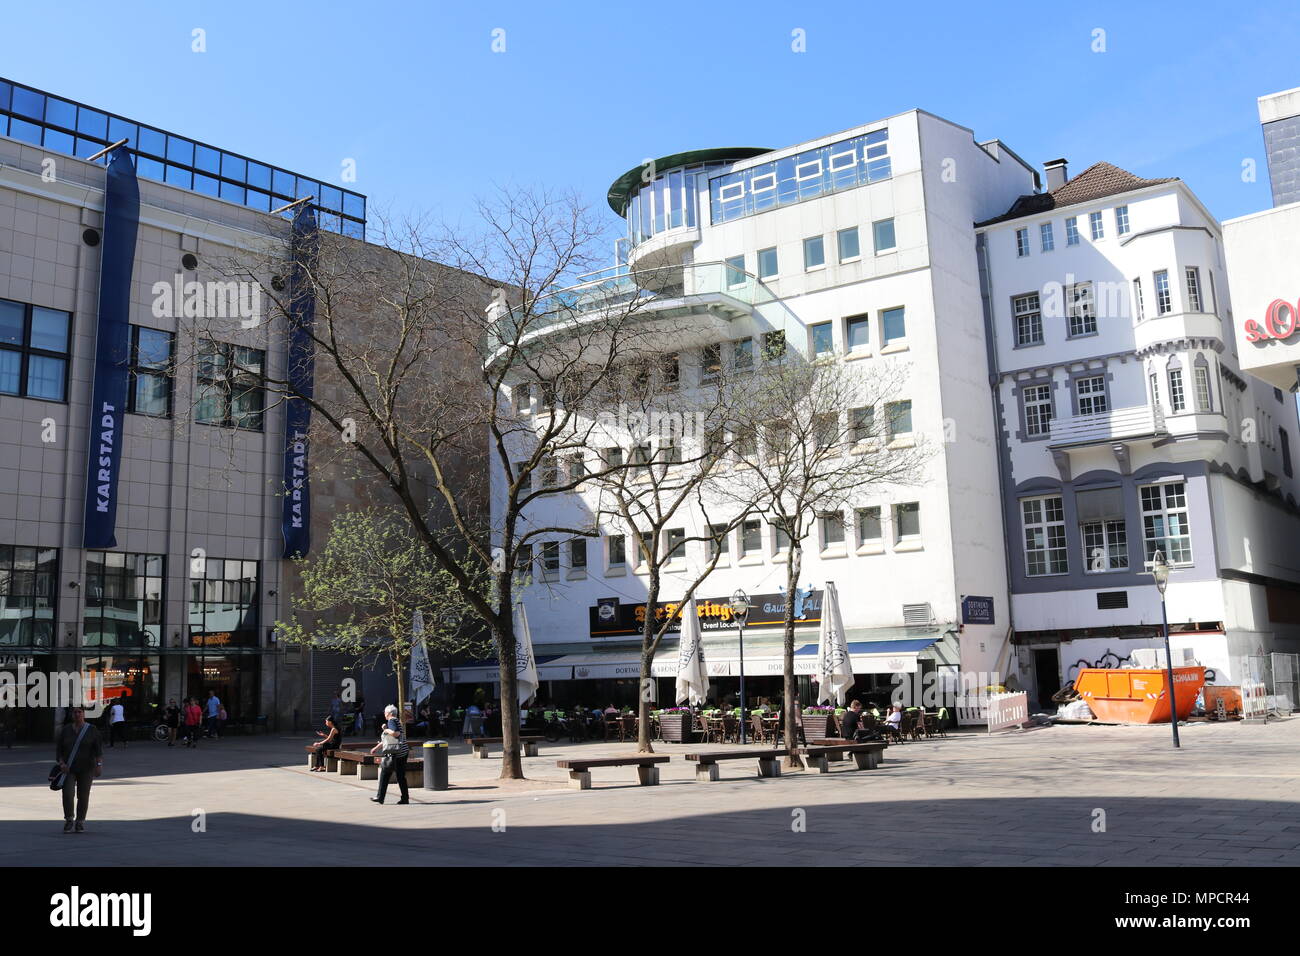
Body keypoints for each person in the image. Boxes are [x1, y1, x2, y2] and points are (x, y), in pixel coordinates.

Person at [55, 706, 103, 833]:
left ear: (84, 714)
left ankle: (80, 821)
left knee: (83, 795)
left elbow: (98, 750)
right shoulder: (66, 730)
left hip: (87, 768)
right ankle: (69, 819)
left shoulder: (92, 730)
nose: (77, 714)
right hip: (68, 768)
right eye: (74, 712)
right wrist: (61, 764)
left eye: (79, 712)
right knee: (68, 794)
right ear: (72, 715)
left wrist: (99, 765)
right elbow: (59, 750)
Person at [369, 704, 410, 804]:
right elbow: (390, 740)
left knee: (385, 773)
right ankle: (405, 798)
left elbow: (395, 733)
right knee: (400, 776)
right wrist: (376, 747)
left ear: (390, 713)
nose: (384, 714)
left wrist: (385, 729)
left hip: (396, 754)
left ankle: (380, 797)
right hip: (402, 752)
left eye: (385, 712)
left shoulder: (392, 720)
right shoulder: (395, 721)